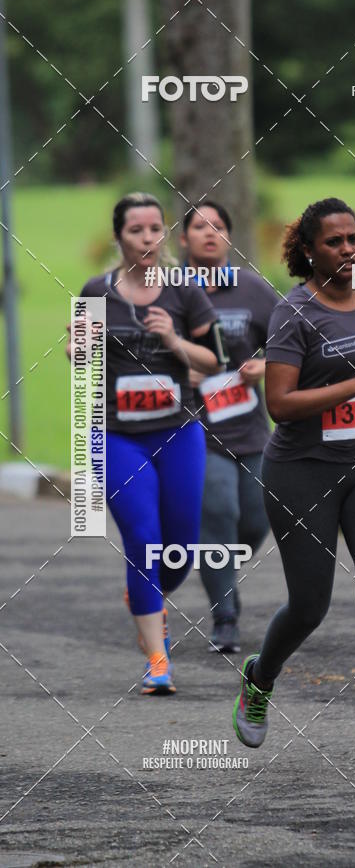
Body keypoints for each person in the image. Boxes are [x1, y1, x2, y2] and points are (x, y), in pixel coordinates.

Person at [232, 197, 355, 780]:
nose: (348, 250)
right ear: (309, 251)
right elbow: (279, 405)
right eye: (334, 242)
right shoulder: (292, 314)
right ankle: (260, 677)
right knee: (311, 605)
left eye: (354, 239)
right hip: (301, 475)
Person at [66, 192, 226, 694]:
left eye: (155, 228)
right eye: (136, 230)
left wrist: (175, 342)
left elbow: (215, 362)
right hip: (113, 436)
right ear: (119, 237)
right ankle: (158, 660)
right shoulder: (97, 290)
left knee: (181, 547)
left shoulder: (184, 291)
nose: (148, 238)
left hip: (177, 431)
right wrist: (75, 346)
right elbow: (78, 353)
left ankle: (145, 596)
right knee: (142, 536)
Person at [182, 201, 279, 653]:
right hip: (194, 431)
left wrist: (267, 364)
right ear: (183, 240)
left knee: (255, 519)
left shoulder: (252, 291)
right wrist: (182, 371)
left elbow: (296, 343)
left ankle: (215, 560)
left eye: (218, 226)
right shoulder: (170, 293)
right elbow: (140, 358)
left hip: (250, 431)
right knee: (218, 513)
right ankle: (226, 617)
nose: (209, 233)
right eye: (199, 227)